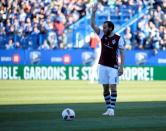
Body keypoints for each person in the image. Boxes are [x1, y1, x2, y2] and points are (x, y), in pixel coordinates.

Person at [90, 3, 125, 116]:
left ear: (110, 28)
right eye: (103, 27)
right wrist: (93, 12)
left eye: (105, 27)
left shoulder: (118, 39)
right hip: (102, 66)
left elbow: (122, 53)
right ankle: (108, 108)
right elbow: (92, 25)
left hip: (113, 67)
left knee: (113, 87)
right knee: (105, 89)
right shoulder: (102, 35)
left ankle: (112, 110)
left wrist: (121, 66)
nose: (103, 29)